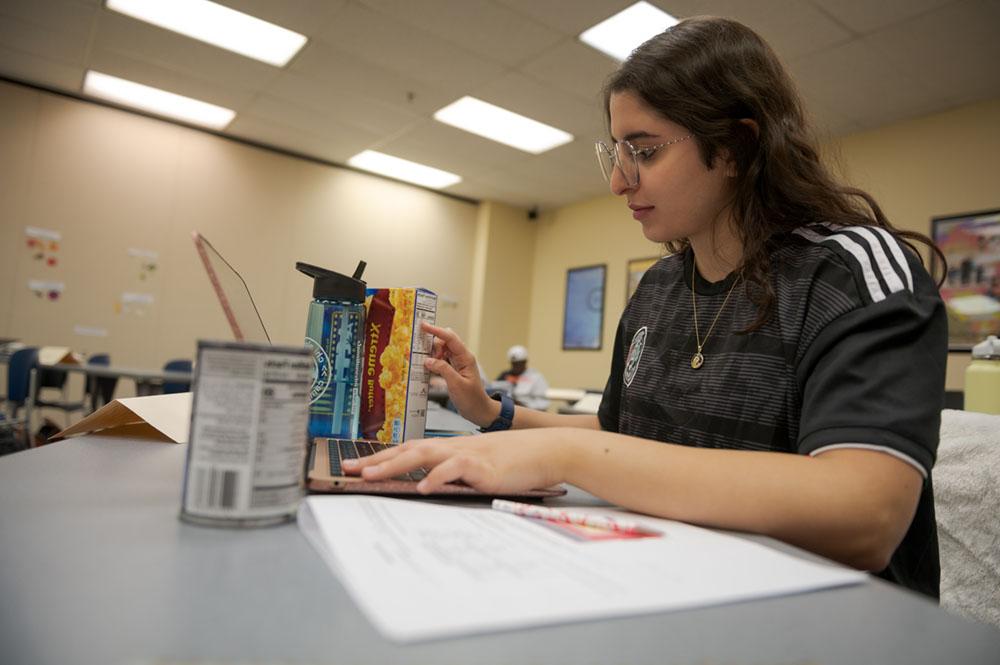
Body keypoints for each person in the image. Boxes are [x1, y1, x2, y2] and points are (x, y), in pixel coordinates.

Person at [343, 16, 947, 599]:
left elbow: (866, 514)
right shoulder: (659, 288)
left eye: (647, 151)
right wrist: (491, 413)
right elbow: (618, 433)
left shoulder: (850, 272)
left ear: (737, 143)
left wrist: (564, 454)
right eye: (617, 154)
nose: (619, 183)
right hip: (668, 580)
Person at [494, 345, 550, 410]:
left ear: (525, 362)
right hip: (507, 411)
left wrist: (524, 406)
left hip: (528, 412)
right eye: (513, 364)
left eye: (519, 364)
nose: (516, 367)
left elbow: (543, 404)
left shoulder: (536, 377)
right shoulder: (504, 375)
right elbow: (494, 391)